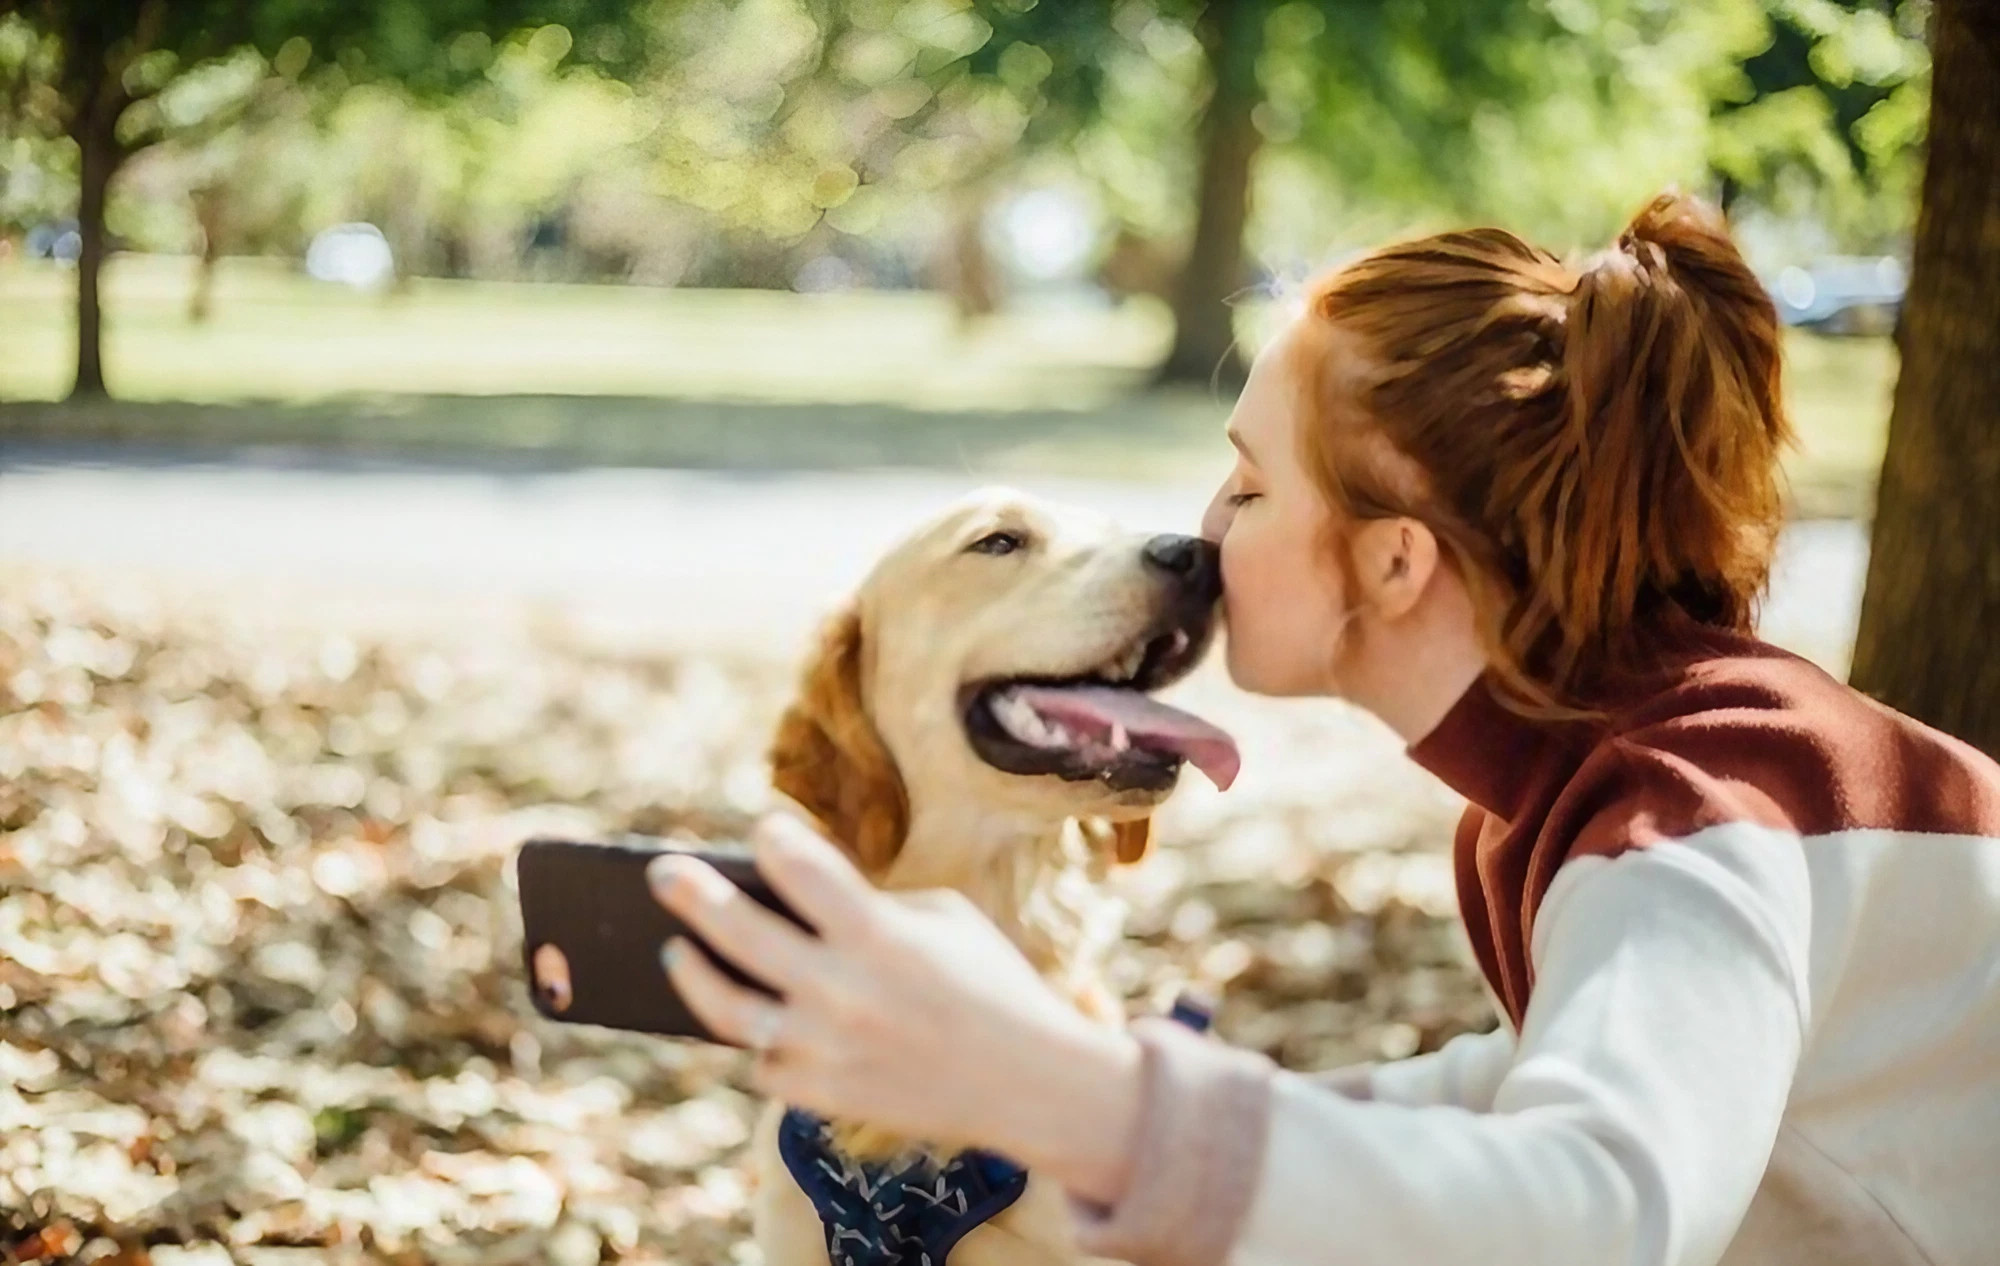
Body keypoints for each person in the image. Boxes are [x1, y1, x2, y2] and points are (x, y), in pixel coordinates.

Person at [648, 192, 2000, 1266]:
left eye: (1250, 483)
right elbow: (1521, 1096)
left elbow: (1597, 1212)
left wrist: (1085, 1102)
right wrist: (1098, 1100)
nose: (1205, 528)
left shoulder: (1695, 807)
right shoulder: (1603, 773)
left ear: (1396, 563)